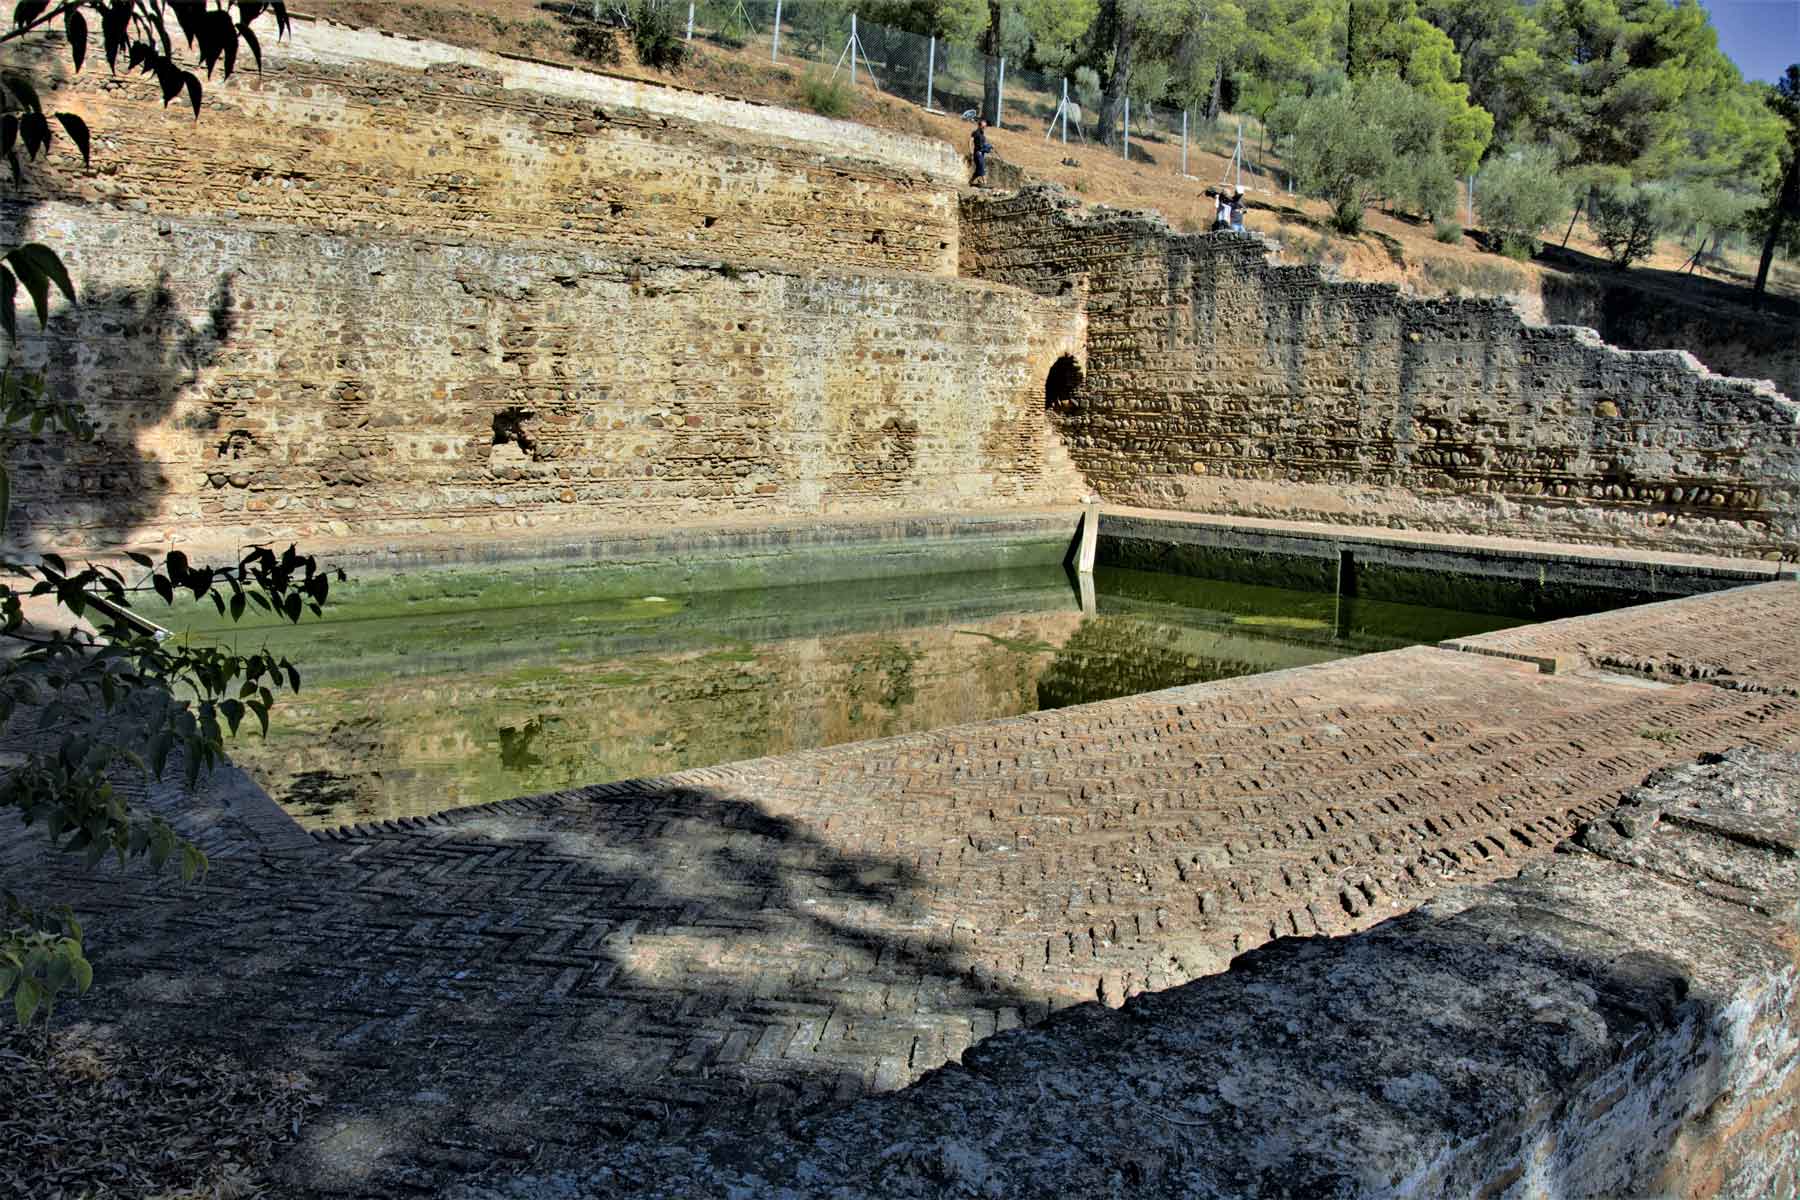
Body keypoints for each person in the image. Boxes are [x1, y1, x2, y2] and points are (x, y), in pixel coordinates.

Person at [970, 118, 991, 187]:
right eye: (983, 126)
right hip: (977, 153)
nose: (984, 128)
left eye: (985, 127)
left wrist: (988, 146)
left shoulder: (982, 134)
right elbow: (970, 141)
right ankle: (985, 182)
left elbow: (983, 144)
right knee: (982, 167)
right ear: (979, 126)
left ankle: (971, 181)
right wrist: (970, 151)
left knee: (978, 169)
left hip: (982, 153)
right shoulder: (975, 132)